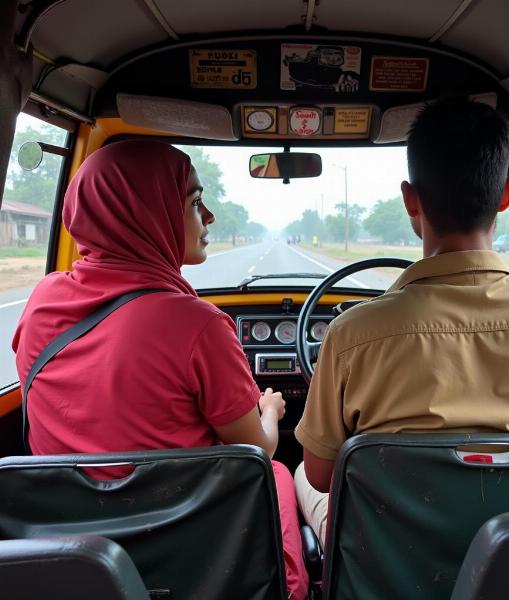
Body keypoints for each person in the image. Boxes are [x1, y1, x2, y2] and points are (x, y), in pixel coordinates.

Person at [294, 98, 509, 547]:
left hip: (390, 571)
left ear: (410, 200)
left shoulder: (352, 334)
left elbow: (323, 475)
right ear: (506, 195)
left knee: (301, 472)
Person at [12, 140, 308, 600]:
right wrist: (269, 409)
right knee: (278, 475)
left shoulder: (42, 303)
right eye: (193, 201)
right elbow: (258, 448)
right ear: (147, 214)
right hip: (190, 541)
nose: (208, 217)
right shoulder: (198, 323)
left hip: (69, 551)